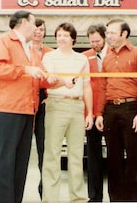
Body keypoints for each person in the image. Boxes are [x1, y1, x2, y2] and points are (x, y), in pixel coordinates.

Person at [0, 10, 47, 203]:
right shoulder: (3, 41)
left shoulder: (29, 48)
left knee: (21, 162)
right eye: (34, 24)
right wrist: (26, 70)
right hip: (9, 109)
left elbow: (40, 76)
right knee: (6, 161)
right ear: (23, 23)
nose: (36, 29)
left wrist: (58, 81)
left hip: (28, 109)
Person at [95, 18, 137, 202]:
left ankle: (136, 200)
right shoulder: (107, 56)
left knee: (135, 158)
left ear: (124, 34)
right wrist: (99, 113)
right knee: (113, 159)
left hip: (131, 109)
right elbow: (103, 86)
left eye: (112, 32)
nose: (108, 36)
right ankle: (116, 199)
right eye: (107, 32)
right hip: (111, 110)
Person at [41, 22, 94, 202]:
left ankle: (78, 197)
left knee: (76, 155)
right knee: (52, 154)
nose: (62, 39)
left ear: (73, 39)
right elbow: (49, 79)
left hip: (77, 107)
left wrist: (90, 112)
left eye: (65, 35)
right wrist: (61, 81)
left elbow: (87, 87)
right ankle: (50, 199)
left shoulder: (82, 60)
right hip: (56, 105)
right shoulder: (49, 57)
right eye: (59, 35)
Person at [82, 23, 110, 202]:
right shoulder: (85, 57)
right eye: (91, 41)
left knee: (116, 154)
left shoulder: (114, 55)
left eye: (97, 41)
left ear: (105, 37)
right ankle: (94, 196)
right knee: (93, 155)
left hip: (112, 109)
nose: (94, 44)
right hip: (91, 112)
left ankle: (118, 195)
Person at [32, 18, 53, 199]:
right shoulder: (24, 50)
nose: (38, 32)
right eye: (35, 28)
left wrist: (50, 97)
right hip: (24, 100)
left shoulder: (51, 53)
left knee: (44, 149)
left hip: (44, 100)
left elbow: (56, 79)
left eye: (41, 29)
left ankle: (44, 191)